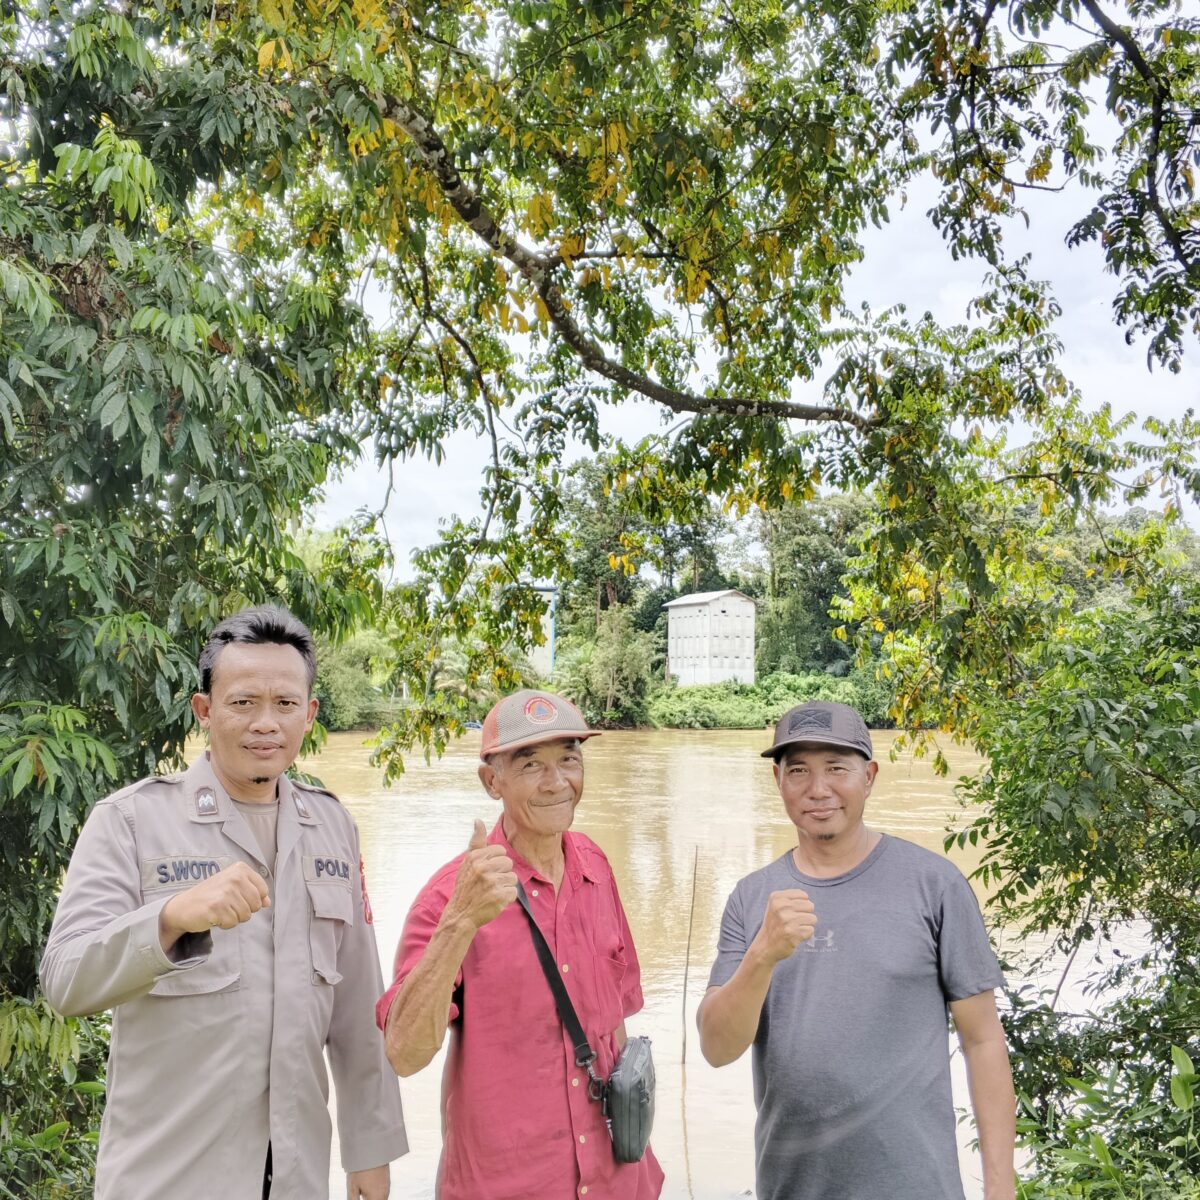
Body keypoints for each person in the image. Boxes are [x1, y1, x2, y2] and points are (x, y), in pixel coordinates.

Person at [40, 605, 408, 1200]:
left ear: (310, 715)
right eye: (243, 702)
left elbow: (358, 1010)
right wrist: (170, 919)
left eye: (286, 704)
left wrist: (372, 1151)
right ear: (205, 711)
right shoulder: (131, 822)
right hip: (168, 1178)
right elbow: (65, 981)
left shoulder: (333, 825)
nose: (266, 723)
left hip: (295, 1178)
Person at [697, 700, 1016, 1200]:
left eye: (836, 769)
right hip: (791, 1188)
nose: (818, 789)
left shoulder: (934, 885)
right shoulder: (752, 897)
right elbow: (718, 1049)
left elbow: (983, 1041)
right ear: (777, 781)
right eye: (798, 770)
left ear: (868, 776)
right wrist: (763, 953)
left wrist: (1001, 1188)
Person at [377, 688, 664, 1200]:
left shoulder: (595, 866)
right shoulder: (450, 895)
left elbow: (617, 1021)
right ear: (493, 781)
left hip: (618, 1178)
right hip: (508, 1185)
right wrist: (460, 922)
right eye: (531, 764)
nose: (557, 783)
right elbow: (404, 1053)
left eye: (569, 759)